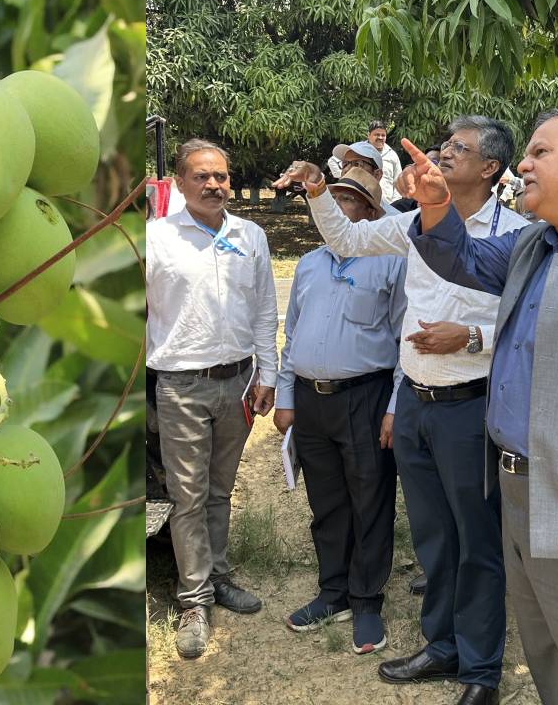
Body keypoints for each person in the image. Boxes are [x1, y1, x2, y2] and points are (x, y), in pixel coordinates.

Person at [283, 108, 558, 704]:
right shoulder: (534, 245)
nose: (524, 164)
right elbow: (459, 259)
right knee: (548, 659)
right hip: (523, 489)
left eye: (540, 152)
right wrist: (436, 205)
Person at [276, 115, 530, 705]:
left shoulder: (516, 234)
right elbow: (348, 239)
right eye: (441, 146)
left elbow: (524, 324)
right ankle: (442, 645)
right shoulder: (413, 224)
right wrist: (318, 188)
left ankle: (481, 670)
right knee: (435, 538)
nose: (440, 155)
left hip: (470, 407)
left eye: (456, 150)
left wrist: (468, 339)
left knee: (477, 541)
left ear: (490, 169)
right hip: (416, 403)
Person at [146, 138, 278, 660]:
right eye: (201, 176)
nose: (213, 185)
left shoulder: (251, 235)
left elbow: (266, 309)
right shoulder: (156, 238)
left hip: (239, 383)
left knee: (221, 489)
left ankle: (218, 576)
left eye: (221, 176)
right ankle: (194, 600)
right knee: (188, 496)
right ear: (179, 183)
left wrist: (268, 372)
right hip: (180, 385)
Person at [274, 169, 406, 655]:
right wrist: (286, 397)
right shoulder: (308, 264)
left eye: (348, 200)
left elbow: (402, 342)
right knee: (326, 501)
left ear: (370, 214)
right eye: (332, 198)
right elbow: (292, 336)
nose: (334, 207)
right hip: (311, 401)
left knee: (370, 498)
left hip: (365, 397)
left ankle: (367, 599)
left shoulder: (392, 262)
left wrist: (394, 407)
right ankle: (334, 592)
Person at [369, 121, 404, 205]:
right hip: (363, 203)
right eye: (377, 135)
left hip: (387, 206)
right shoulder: (359, 151)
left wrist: (394, 203)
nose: (380, 137)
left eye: (383, 135)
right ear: (369, 135)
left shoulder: (392, 155)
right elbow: (334, 161)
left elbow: (398, 181)